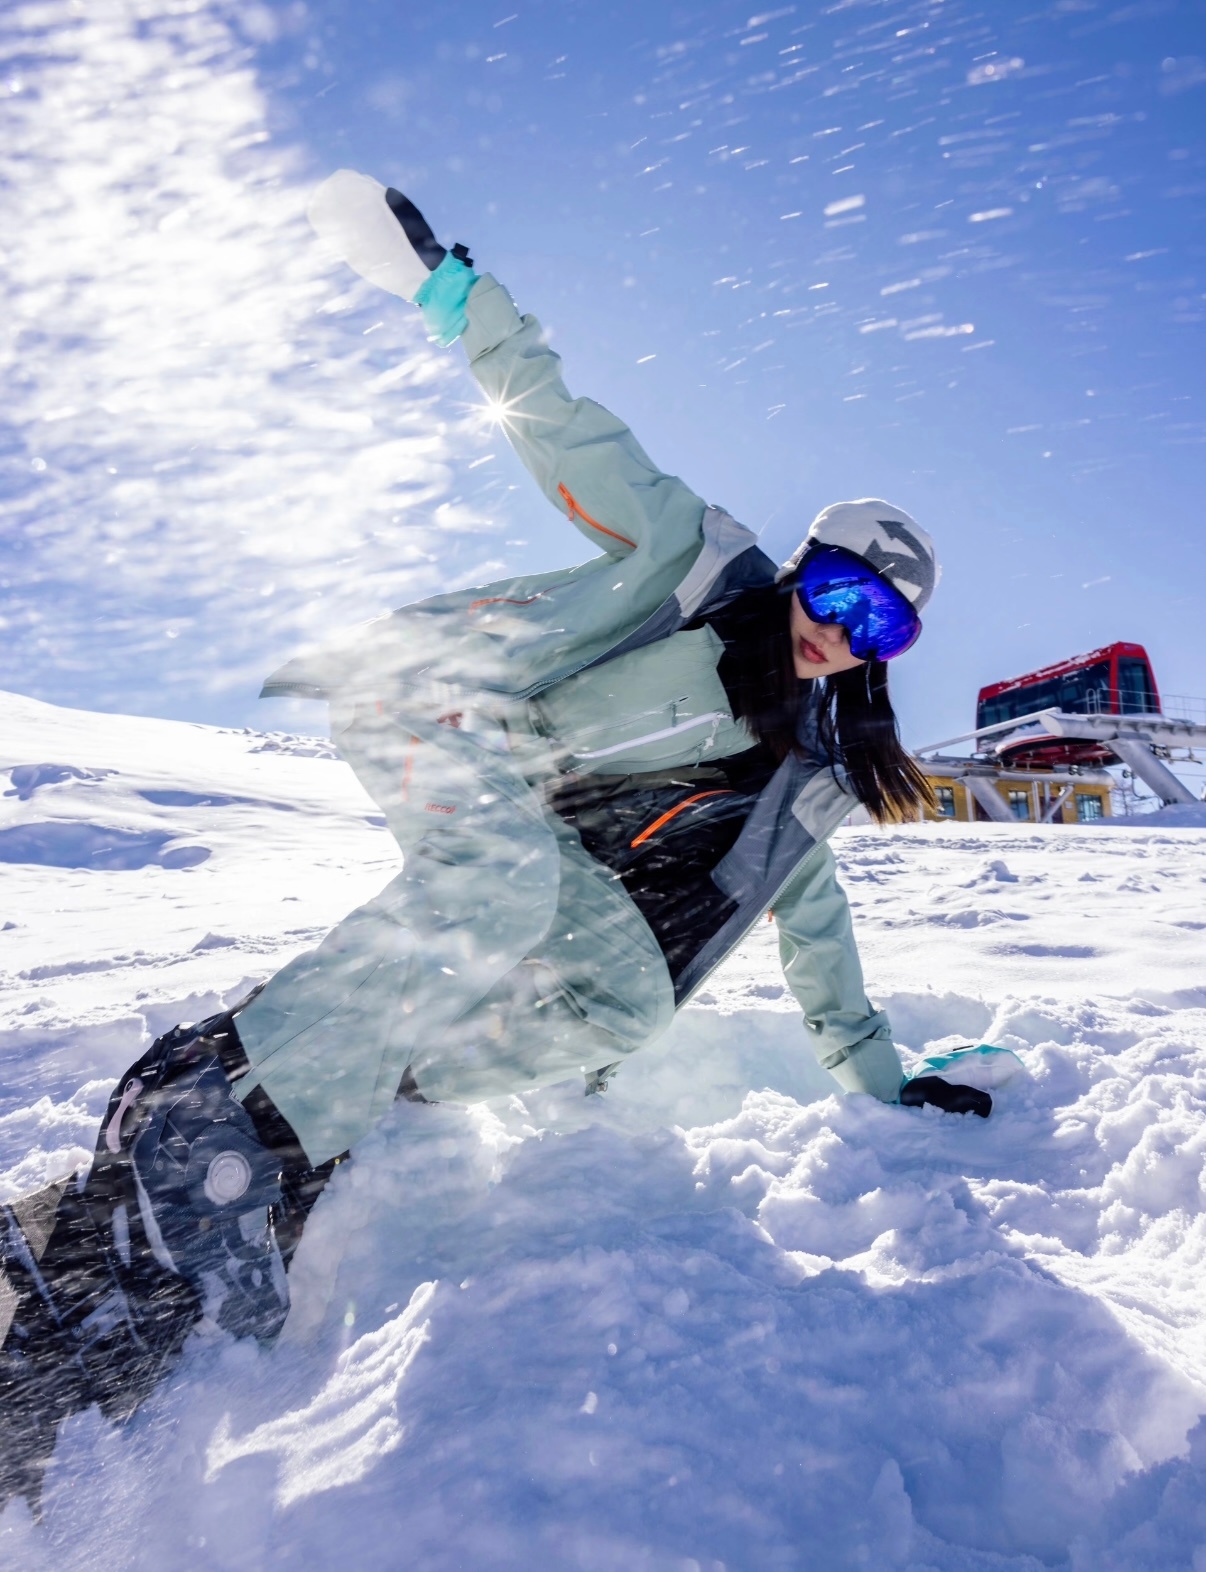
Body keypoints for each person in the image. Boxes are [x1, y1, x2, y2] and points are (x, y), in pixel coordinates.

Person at [0, 175, 999, 1479]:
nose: (834, 631)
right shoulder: (693, 568)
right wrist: (448, 288)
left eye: (878, 628)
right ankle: (207, 1105)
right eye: (832, 589)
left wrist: (881, 1075)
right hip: (452, 718)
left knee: (613, 999)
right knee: (502, 893)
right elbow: (562, 425)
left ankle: (313, 1128)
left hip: (536, 863)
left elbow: (813, 933)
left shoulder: (814, 772)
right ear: (800, 562)